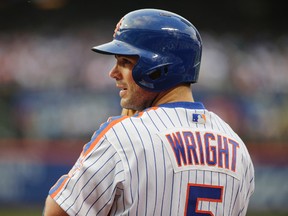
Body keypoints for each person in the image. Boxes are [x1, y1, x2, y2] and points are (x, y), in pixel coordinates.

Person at [43, 8, 255, 216]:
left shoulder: (123, 137)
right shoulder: (237, 147)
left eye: (125, 62)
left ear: (159, 68)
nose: (113, 73)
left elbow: (57, 212)